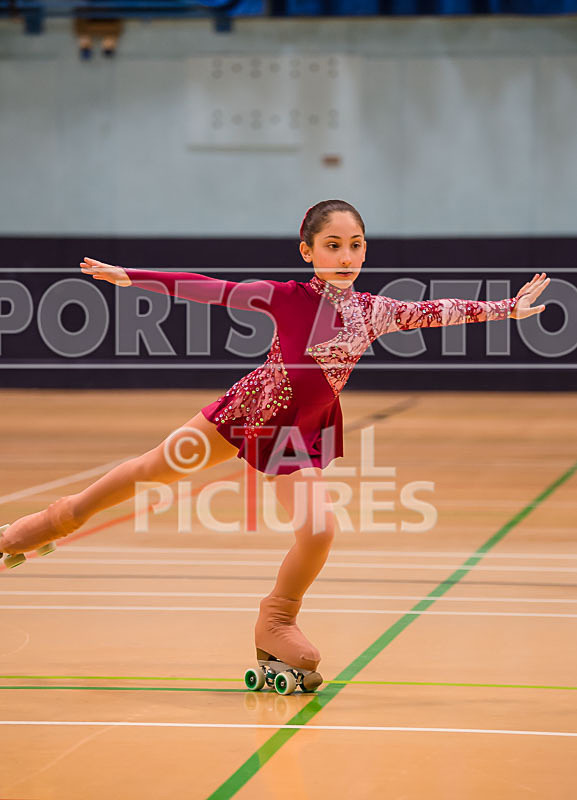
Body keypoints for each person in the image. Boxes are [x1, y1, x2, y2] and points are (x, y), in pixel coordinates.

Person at [0, 200, 550, 692]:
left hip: (295, 434)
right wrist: (131, 277)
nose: (345, 255)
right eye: (332, 245)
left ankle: (277, 618)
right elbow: (207, 288)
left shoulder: (376, 311)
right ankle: (43, 526)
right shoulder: (283, 297)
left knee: (318, 528)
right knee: (150, 470)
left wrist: (507, 307)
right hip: (248, 410)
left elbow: (437, 310)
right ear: (307, 251)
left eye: (355, 244)